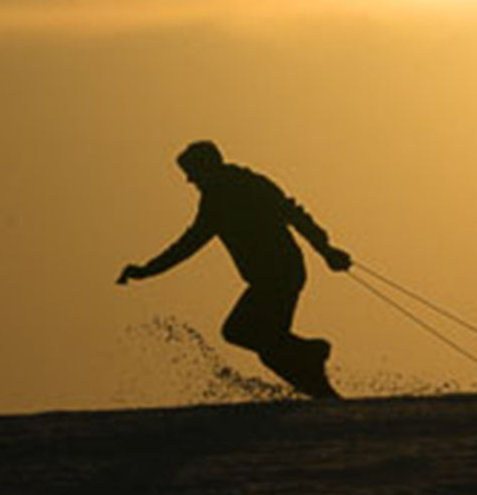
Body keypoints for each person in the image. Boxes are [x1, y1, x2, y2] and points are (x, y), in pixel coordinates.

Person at [118, 141, 352, 398]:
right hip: (278, 274)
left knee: (244, 333)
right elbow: (191, 242)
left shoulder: (231, 193)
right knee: (267, 343)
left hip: (279, 275)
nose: (190, 180)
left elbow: (292, 214)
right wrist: (326, 250)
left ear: (208, 167)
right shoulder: (235, 189)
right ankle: (319, 382)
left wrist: (326, 250)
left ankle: (313, 358)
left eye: (193, 173)